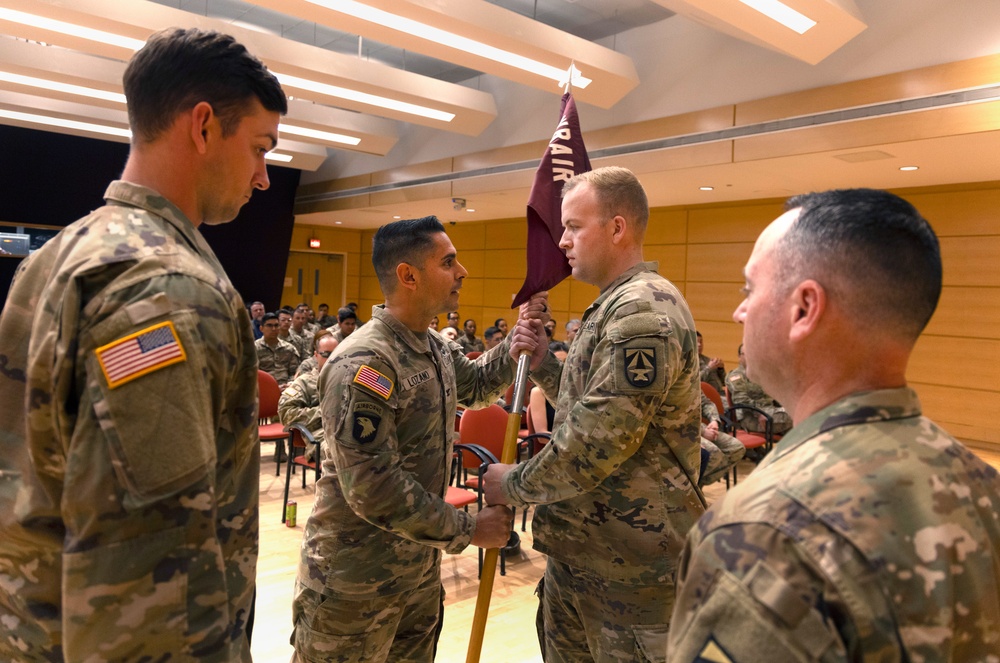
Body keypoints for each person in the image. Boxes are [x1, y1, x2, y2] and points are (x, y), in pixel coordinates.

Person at [0, 27, 286, 661]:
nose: (264, 177)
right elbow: (150, 586)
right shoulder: (170, 290)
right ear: (204, 126)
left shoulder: (53, 258)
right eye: (261, 148)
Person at [668, 188, 1000, 661]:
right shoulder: (984, 487)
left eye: (749, 290)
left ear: (804, 308)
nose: (739, 311)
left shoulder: (763, 530)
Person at [292, 216, 545, 663]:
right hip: (355, 583)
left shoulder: (432, 345)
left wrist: (513, 348)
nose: (462, 272)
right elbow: (373, 488)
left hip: (417, 572)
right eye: (448, 262)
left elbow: (477, 385)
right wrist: (470, 528)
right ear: (408, 275)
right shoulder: (367, 363)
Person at [483, 167, 705, 661]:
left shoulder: (642, 313)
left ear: (618, 228)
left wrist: (512, 483)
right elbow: (590, 407)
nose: (561, 241)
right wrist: (543, 366)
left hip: (631, 571)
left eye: (574, 227)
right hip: (587, 553)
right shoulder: (612, 307)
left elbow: (598, 440)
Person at [278, 334, 338, 461]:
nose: (332, 359)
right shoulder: (305, 382)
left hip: (349, 432)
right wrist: (325, 412)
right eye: (326, 354)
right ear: (316, 355)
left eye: (336, 354)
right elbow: (285, 412)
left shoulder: (349, 379)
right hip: (322, 436)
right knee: (343, 453)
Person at [726, 343, 792, 436]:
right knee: (796, 415)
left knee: (801, 425)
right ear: (739, 357)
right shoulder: (736, 376)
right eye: (746, 353)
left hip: (769, 411)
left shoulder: (758, 374)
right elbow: (741, 400)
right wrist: (759, 413)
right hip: (751, 418)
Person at [256, 311, 301, 389]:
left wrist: (289, 384)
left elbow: (294, 372)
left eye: (276, 325)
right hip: (263, 389)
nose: (273, 329)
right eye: (269, 325)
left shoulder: (288, 348)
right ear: (261, 328)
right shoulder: (254, 348)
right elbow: (252, 375)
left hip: (286, 388)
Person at [696, 330, 726, 396]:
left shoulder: (707, 360)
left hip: (720, 393)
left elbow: (724, 382)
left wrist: (720, 369)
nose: (699, 345)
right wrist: (709, 368)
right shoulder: (687, 362)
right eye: (696, 342)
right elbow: (695, 381)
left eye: (701, 342)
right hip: (704, 397)